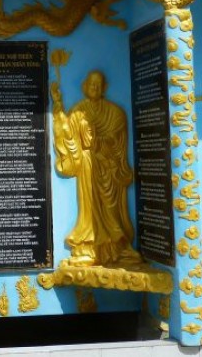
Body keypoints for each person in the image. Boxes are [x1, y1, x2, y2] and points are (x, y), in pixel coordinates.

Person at [51, 70, 141, 267]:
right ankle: (88, 247)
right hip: (87, 166)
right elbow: (68, 136)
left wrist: (102, 143)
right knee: (89, 209)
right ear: (85, 86)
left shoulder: (114, 112)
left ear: (104, 88)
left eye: (98, 85)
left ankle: (117, 248)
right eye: (91, 84)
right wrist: (57, 106)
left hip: (108, 168)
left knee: (111, 209)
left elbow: (117, 140)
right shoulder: (78, 111)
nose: (95, 87)